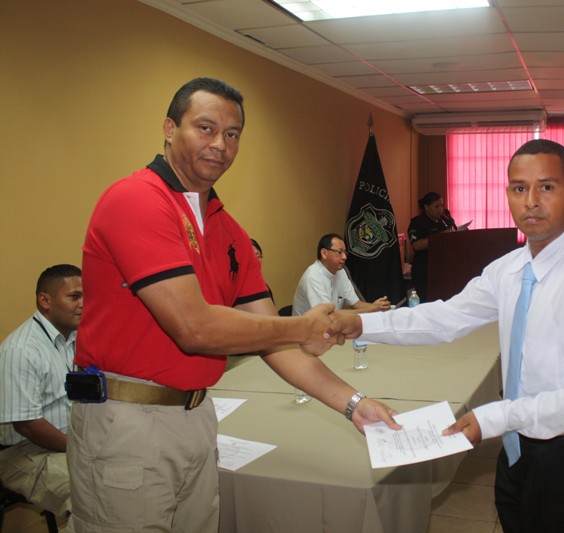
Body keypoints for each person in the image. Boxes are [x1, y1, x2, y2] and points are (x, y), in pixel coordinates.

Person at [69, 77, 399, 532]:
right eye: (205, 128)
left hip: (197, 414)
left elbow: (274, 342)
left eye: (232, 134)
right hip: (128, 420)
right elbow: (195, 328)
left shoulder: (227, 231)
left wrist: (354, 404)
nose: (220, 144)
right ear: (169, 128)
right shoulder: (136, 200)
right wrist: (301, 327)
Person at [338, 139, 564, 532]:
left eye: (547, 187)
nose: (531, 201)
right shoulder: (508, 269)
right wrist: (362, 325)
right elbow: (446, 318)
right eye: (519, 188)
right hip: (518, 448)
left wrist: (494, 417)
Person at [0, 264, 82, 530]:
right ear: (45, 301)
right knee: (88, 494)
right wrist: (80, 449)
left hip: (71, 441)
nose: (83, 304)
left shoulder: (78, 339)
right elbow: (27, 425)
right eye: (74, 296)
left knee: (128, 478)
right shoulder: (21, 349)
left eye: (86, 296)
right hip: (26, 452)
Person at [292, 233, 390, 316]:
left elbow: (357, 304)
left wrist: (378, 306)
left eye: (345, 252)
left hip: (330, 327)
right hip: (307, 330)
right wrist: (370, 309)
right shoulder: (313, 276)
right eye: (339, 252)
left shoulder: (341, 272)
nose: (344, 257)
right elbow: (328, 315)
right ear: (324, 253)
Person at [407, 192, 454, 302]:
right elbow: (416, 245)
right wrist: (440, 237)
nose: (440, 209)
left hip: (441, 268)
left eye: (441, 206)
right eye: (436, 206)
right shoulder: (417, 222)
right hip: (424, 270)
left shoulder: (442, 221)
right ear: (426, 207)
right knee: (426, 301)